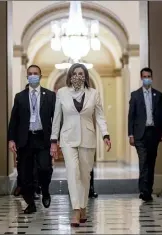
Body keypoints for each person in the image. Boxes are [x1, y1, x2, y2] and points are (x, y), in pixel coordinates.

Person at [50, 63, 111, 227]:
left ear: (86, 76)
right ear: (70, 76)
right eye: (75, 73)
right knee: (72, 172)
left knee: (85, 175)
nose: (78, 76)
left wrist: (105, 134)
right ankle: (76, 210)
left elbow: (100, 116)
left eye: (81, 73)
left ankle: (83, 206)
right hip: (67, 138)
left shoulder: (93, 93)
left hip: (87, 137)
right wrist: (53, 141)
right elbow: (56, 118)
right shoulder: (62, 93)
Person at [8, 64, 56, 214]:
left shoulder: (49, 96)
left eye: (36, 73)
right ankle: (30, 203)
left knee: (44, 168)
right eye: (30, 73)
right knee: (25, 174)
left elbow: (56, 119)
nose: (33, 75)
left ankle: (45, 190)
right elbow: (14, 120)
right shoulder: (20, 97)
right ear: (27, 76)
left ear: (40, 77)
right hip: (26, 139)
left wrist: (55, 140)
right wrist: (11, 139)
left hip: (43, 138)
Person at [128, 67, 162, 202]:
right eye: (144, 76)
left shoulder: (158, 95)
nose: (147, 78)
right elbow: (131, 117)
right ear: (141, 78)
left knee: (151, 162)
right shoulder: (135, 95)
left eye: (149, 76)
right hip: (140, 134)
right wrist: (130, 134)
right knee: (143, 161)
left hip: (154, 133)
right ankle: (144, 190)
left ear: (152, 77)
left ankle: (148, 189)